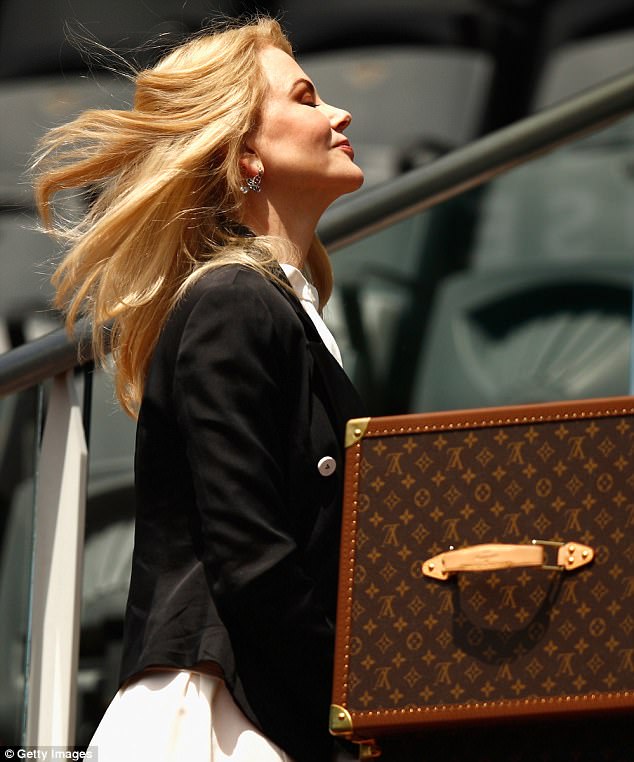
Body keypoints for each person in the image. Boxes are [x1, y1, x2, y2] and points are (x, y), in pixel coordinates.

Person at [33, 16, 366, 762]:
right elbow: (253, 562)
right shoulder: (233, 302)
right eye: (306, 98)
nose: (340, 114)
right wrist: (354, 703)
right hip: (221, 722)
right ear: (245, 152)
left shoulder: (276, 305)